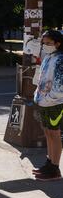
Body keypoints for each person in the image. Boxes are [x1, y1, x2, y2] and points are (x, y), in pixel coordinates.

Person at [33, 30, 63, 181]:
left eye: (49, 43)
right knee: (48, 133)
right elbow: (41, 78)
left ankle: (55, 169)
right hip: (44, 101)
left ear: (58, 43)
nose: (45, 46)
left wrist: (50, 98)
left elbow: (60, 85)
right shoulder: (49, 57)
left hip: (55, 103)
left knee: (54, 134)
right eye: (44, 43)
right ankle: (50, 162)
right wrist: (38, 95)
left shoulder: (61, 59)